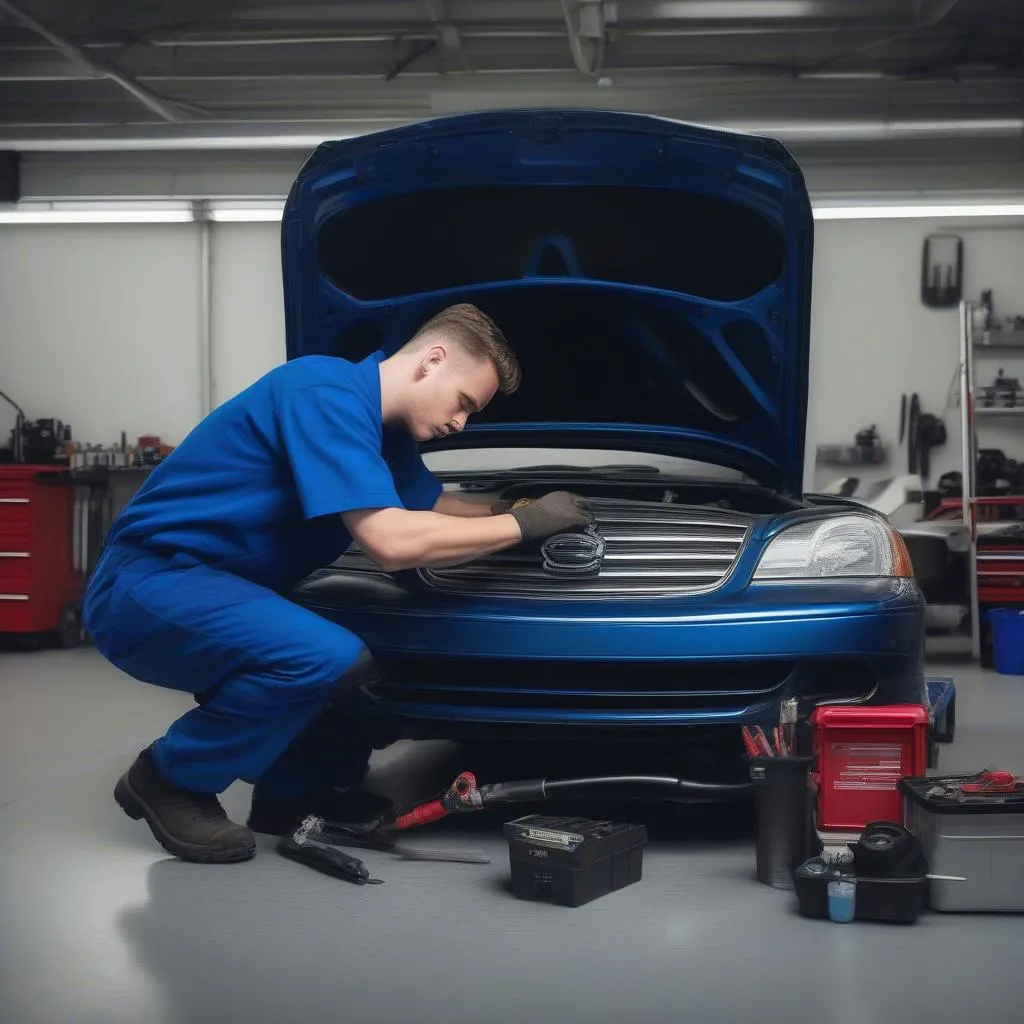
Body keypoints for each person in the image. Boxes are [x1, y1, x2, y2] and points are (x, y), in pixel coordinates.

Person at [84, 303, 592, 863]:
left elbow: (433, 503)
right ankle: (167, 777)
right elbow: (392, 541)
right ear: (432, 361)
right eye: (463, 403)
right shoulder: (321, 391)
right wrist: (522, 524)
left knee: (369, 660)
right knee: (325, 655)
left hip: (224, 589)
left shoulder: (384, 431)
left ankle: (290, 794)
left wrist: (506, 506)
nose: (460, 423)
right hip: (149, 584)